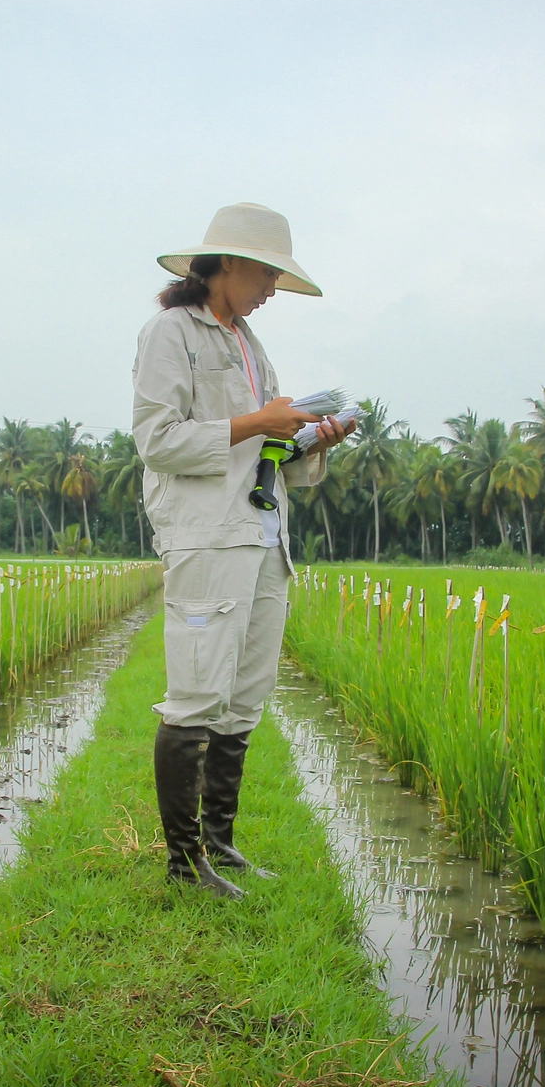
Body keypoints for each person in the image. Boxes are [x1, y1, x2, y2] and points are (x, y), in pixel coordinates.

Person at [131, 202, 354, 899]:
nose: (270, 291)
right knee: (195, 694)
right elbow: (158, 440)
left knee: (243, 698)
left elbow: (265, 451)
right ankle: (181, 861)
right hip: (206, 536)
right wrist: (259, 419)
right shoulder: (172, 333)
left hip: (263, 536)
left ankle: (220, 842)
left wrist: (308, 439)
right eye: (265, 274)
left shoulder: (251, 345)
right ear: (226, 263)